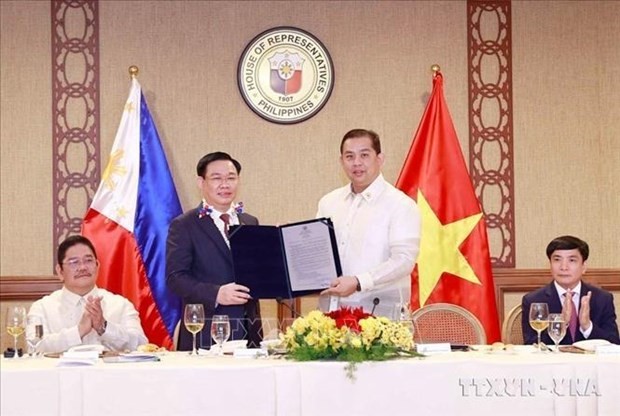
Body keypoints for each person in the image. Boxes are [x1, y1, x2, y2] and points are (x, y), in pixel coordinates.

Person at [317, 129, 421, 317]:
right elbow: (318, 253)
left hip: (379, 317)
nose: (357, 162)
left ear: (379, 159)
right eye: (349, 156)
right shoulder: (328, 202)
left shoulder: (400, 205)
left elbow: (404, 260)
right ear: (341, 161)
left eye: (364, 155)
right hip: (330, 315)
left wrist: (358, 281)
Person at [166, 151, 262, 350]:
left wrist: (276, 249)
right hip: (204, 333)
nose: (225, 184)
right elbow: (175, 278)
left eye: (231, 178)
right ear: (201, 183)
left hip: (249, 333)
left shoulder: (249, 222)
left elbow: (256, 274)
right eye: (216, 178)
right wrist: (217, 293)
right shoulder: (184, 225)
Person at [27, 235, 148, 353]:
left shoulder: (121, 305)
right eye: (74, 262)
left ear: (97, 266)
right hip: (61, 374)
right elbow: (34, 347)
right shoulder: (42, 308)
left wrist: (104, 327)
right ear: (60, 272)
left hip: (110, 373)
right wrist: (78, 331)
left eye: (88, 260)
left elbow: (141, 345)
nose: (83, 267)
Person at [521, 235, 620, 345]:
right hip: (552, 362)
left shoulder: (602, 299)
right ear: (550, 265)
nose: (564, 267)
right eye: (557, 260)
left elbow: (614, 344)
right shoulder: (533, 301)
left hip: (590, 362)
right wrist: (561, 325)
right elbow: (531, 346)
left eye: (572, 260)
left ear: (584, 267)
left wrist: (587, 326)